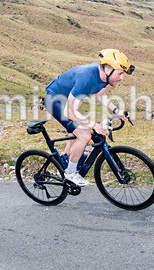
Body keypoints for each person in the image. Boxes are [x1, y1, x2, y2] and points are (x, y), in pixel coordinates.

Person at [44, 49, 133, 187]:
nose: (122, 78)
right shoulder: (87, 78)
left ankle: (66, 159)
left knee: (76, 133)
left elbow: (100, 95)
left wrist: (117, 111)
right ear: (108, 69)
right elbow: (70, 113)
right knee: (84, 135)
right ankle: (71, 174)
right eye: (120, 73)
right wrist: (94, 125)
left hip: (67, 102)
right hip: (55, 101)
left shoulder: (104, 78)